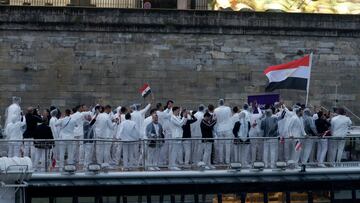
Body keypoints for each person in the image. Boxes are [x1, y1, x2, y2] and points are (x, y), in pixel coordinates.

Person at [214, 99, 233, 164]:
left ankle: (221, 160)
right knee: (228, 145)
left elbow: (215, 119)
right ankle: (227, 161)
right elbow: (230, 117)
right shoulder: (228, 108)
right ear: (224, 103)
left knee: (220, 146)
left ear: (219, 103)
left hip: (220, 129)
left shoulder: (216, 110)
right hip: (227, 128)